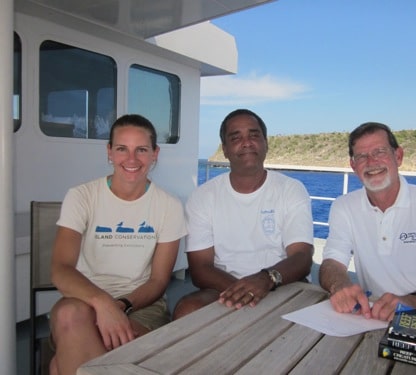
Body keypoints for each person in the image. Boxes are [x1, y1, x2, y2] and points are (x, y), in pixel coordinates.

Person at [49, 114, 187, 375]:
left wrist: (120, 306)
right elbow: (61, 268)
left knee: (63, 364)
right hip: (81, 300)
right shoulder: (81, 196)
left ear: (155, 154)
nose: (132, 159)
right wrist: (102, 304)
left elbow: (158, 281)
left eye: (142, 150)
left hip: (140, 306)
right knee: (71, 316)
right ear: (109, 152)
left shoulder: (169, 206)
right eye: (122, 148)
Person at [319, 122, 416, 322]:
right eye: (362, 156)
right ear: (353, 166)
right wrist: (340, 286)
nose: (371, 162)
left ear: (398, 156)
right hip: (373, 312)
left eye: (380, 152)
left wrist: (413, 302)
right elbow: (332, 262)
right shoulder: (343, 206)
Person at [173, 109, 314, 319]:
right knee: (187, 309)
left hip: (281, 282)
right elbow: (200, 268)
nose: (247, 142)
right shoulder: (203, 197)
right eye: (236, 137)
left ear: (266, 144)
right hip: (223, 287)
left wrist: (266, 280)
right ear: (226, 150)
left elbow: (302, 257)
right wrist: (247, 291)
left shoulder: (291, 189)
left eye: (254, 135)